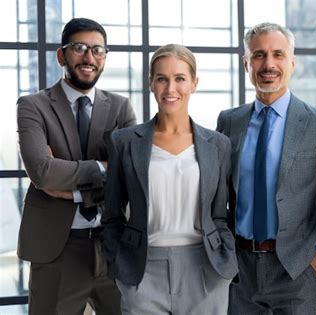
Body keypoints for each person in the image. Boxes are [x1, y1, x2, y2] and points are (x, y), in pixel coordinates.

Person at [216, 22, 316, 314]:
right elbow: (219, 196)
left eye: (278, 54)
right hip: (241, 272)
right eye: (259, 55)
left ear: (292, 62)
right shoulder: (229, 122)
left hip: (298, 271)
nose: (269, 64)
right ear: (246, 63)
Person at [102, 43, 238, 314]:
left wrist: (225, 266)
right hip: (141, 269)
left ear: (194, 83)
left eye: (179, 79)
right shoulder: (124, 142)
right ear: (151, 83)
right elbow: (112, 216)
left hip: (205, 269)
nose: (170, 88)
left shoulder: (218, 145)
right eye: (162, 79)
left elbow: (222, 215)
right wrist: (119, 269)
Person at [16, 17, 136, 314]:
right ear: (62, 55)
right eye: (80, 48)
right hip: (58, 247)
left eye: (98, 50)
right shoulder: (33, 106)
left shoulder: (121, 107)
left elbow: (131, 175)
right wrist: (104, 167)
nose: (89, 57)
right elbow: (43, 172)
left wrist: (74, 193)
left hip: (113, 244)